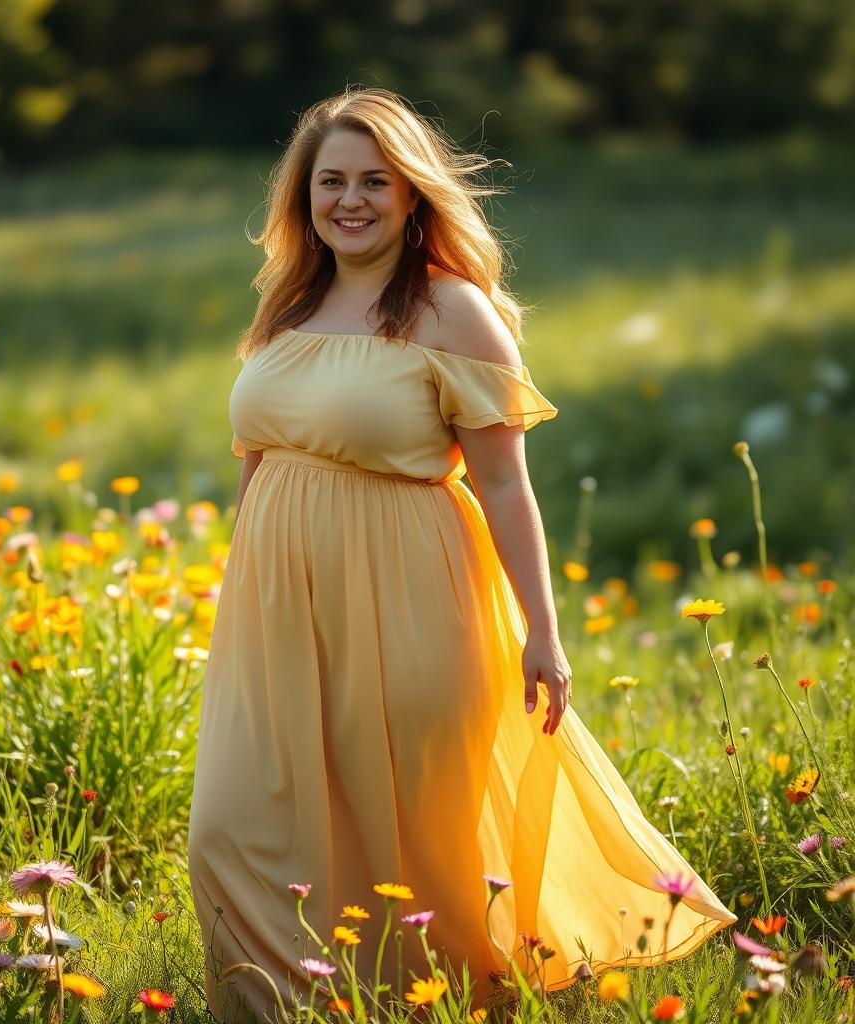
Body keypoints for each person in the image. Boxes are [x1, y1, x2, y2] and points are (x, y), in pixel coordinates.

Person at [187, 86, 736, 1024]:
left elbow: (507, 485)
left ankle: (438, 1003)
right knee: (228, 832)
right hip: (279, 611)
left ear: (412, 197)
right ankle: (278, 1008)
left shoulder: (451, 310)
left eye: (374, 180)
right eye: (330, 181)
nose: (349, 200)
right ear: (303, 195)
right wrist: (239, 592)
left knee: (410, 840)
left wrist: (545, 635)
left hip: (410, 596)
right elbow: (260, 458)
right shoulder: (289, 303)